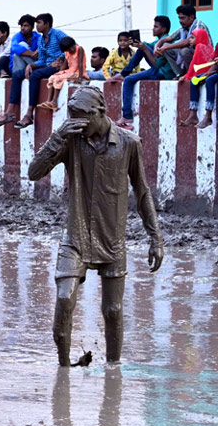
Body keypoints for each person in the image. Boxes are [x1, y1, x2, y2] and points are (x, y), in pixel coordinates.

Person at [27, 86, 163, 366]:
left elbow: (143, 192)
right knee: (65, 299)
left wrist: (156, 238)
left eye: (81, 115)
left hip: (112, 239)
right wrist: (58, 136)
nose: (76, 121)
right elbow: (33, 172)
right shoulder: (70, 140)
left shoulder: (128, 143)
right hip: (75, 236)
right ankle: (63, 371)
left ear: (100, 112)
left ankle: (114, 369)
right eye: (71, 115)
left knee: (113, 310)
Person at [116, 16, 176, 129]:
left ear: (163, 29)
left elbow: (156, 64)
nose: (152, 29)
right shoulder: (159, 41)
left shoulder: (165, 43)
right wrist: (139, 44)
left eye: (155, 26)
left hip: (162, 72)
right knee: (141, 48)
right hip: (158, 69)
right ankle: (123, 74)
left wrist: (144, 48)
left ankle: (127, 115)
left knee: (128, 80)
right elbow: (149, 46)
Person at [11, 13, 67, 129]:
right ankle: (10, 111)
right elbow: (41, 60)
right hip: (46, 66)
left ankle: (29, 113)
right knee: (17, 75)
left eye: (39, 23)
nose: (37, 26)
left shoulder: (57, 34)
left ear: (47, 24)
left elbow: (73, 46)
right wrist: (31, 65)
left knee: (35, 75)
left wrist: (61, 58)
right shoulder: (41, 39)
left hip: (56, 67)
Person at [161, 4, 212, 127]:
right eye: (179, 18)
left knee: (185, 51)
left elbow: (188, 47)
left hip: (204, 67)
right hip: (196, 69)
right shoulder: (183, 28)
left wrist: (189, 76)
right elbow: (169, 38)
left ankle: (204, 115)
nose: (180, 21)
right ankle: (193, 114)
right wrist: (160, 45)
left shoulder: (199, 28)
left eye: (183, 18)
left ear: (191, 17)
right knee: (194, 81)